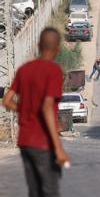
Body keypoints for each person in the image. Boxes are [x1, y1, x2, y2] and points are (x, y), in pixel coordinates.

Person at [2, 27, 70, 197]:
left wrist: (25, 110)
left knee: (34, 191)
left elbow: (7, 100)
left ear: (39, 45)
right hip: (43, 142)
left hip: (25, 142)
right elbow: (47, 107)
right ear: (57, 49)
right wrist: (58, 147)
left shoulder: (24, 70)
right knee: (50, 191)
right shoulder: (53, 71)